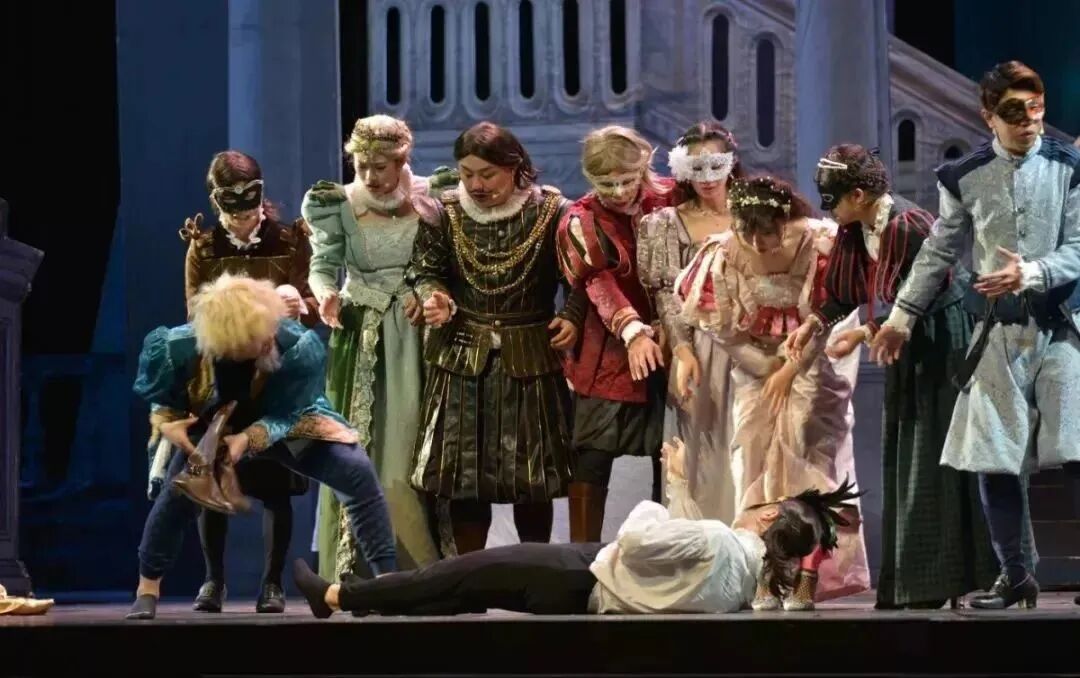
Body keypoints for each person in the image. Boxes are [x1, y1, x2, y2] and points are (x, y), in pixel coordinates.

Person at [870, 61, 1080, 609]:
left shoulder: (1068, 166)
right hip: (999, 332)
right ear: (988, 116)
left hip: (1060, 326)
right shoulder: (964, 176)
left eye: (1037, 108)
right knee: (993, 455)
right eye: (1014, 112)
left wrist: (1031, 272)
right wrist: (900, 318)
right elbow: (938, 250)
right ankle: (1015, 575)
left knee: (1076, 447)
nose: (1029, 122)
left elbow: (1079, 248)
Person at [292, 438, 863, 617]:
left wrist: (656, 504)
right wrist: (678, 488)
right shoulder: (742, 583)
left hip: (580, 572)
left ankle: (340, 596)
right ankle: (364, 602)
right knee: (459, 589)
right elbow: (679, 556)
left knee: (453, 574)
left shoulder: (720, 541)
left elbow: (638, 541)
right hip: (583, 592)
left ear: (768, 516)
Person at [783, 143, 999, 609]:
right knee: (907, 451)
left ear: (858, 195)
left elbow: (925, 294)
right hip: (907, 339)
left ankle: (949, 578)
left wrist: (866, 332)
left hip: (941, 338)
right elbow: (846, 291)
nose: (828, 208)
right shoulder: (859, 228)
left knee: (935, 454)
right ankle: (913, 581)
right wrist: (814, 324)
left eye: (832, 199)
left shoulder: (908, 225)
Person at [125, 274, 396, 620]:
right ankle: (147, 589)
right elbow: (163, 398)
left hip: (285, 417)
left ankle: (388, 583)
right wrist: (168, 421)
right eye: (255, 340)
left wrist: (248, 438)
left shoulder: (297, 345)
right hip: (215, 421)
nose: (267, 341)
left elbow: (290, 412)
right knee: (177, 495)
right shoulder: (181, 346)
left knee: (356, 471)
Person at [674, 175, 870, 609]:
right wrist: (767, 369)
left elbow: (831, 317)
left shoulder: (821, 245)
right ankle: (767, 569)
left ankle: (809, 574)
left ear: (785, 221)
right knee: (752, 457)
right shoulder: (723, 253)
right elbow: (720, 328)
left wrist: (791, 370)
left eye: (766, 233)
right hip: (755, 363)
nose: (757, 244)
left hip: (817, 362)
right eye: (747, 232)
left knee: (809, 461)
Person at [405, 122, 582, 554]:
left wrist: (573, 316)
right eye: (466, 174)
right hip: (463, 357)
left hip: (530, 356)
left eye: (487, 174)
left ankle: (533, 573)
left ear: (514, 167)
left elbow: (580, 278)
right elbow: (425, 271)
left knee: (533, 480)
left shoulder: (552, 211)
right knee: (465, 478)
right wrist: (434, 297)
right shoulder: (443, 211)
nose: (476, 185)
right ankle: (471, 578)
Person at [166, 150, 315, 614]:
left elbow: (309, 301)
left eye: (250, 210)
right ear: (217, 204)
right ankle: (214, 580)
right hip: (221, 380)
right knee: (212, 480)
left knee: (275, 486)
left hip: (275, 378)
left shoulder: (289, 241)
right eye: (234, 212)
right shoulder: (205, 248)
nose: (244, 220)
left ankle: (272, 583)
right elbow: (194, 314)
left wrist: (300, 305)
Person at [302, 115, 440, 579]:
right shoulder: (337, 203)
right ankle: (359, 567)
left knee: (412, 445)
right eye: (361, 166)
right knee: (359, 446)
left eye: (380, 167)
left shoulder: (432, 196)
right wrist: (325, 293)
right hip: (361, 334)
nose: (369, 176)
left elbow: (444, 263)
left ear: (402, 160)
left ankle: (424, 569)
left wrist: (430, 294)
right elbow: (323, 265)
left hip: (418, 332)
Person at [556, 125, 673, 542]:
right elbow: (596, 281)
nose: (619, 192)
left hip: (675, 343)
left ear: (645, 166)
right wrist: (633, 331)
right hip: (608, 348)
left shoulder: (672, 198)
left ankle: (664, 549)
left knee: (671, 454)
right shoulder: (581, 219)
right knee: (592, 453)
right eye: (607, 183)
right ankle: (580, 558)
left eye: (627, 180)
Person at [638, 121, 742, 522]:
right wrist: (682, 351)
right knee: (702, 454)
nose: (707, 177)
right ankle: (702, 546)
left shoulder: (755, 214)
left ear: (730, 162)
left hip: (753, 348)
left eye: (715, 165)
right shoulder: (667, 223)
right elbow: (668, 295)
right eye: (696, 168)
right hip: (700, 347)